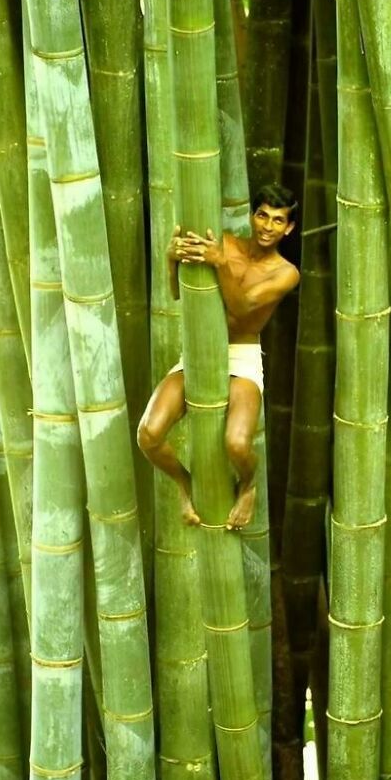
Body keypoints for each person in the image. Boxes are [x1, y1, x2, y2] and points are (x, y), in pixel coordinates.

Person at [137, 184, 300, 530]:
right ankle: (185, 483)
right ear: (252, 216)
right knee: (148, 435)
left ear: (289, 228)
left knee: (238, 444)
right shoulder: (225, 244)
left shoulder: (285, 273)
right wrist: (171, 260)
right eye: (262, 216)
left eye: (277, 220)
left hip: (241, 357)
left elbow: (242, 309)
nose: (267, 227)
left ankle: (248, 485)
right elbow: (178, 293)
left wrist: (220, 264)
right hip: (199, 350)